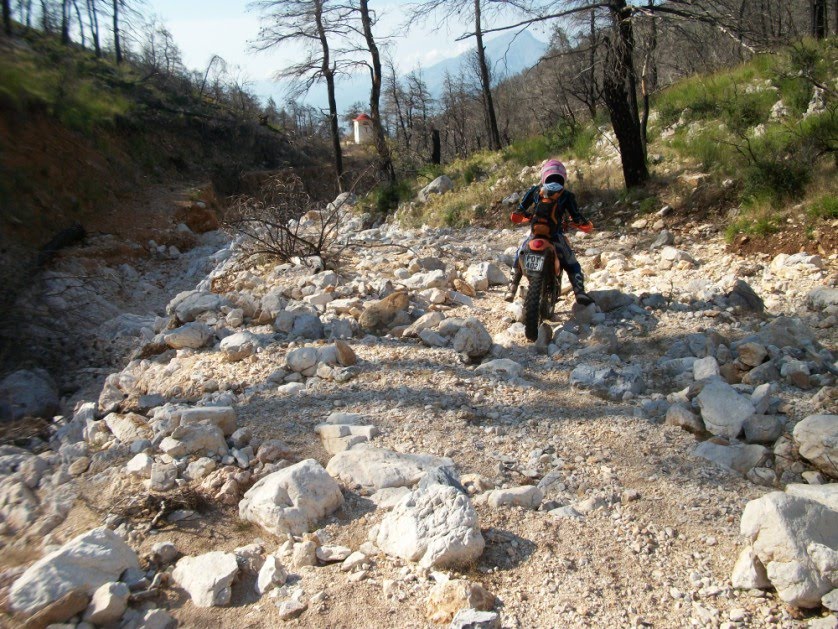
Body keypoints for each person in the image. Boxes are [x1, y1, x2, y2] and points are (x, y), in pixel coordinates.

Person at [504, 159, 594, 306]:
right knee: (572, 264)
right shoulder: (566, 195)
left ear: (544, 175)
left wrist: (525, 216)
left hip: (534, 235)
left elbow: (518, 212)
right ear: (563, 177)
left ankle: (511, 289)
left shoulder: (535, 190)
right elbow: (577, 218)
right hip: (555, 236)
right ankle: (579, 292)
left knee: (519, 254)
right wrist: (584, 225)